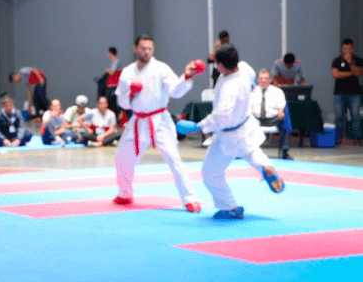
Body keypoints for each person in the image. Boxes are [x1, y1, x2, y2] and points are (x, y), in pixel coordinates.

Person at [180, 47, 285, 220]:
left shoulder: (229, 88)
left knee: (210, 173)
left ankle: (229, 207)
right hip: (246, 125)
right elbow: (251, 78)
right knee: (250, 151)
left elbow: (220, 117)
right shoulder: (244, 68)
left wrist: (198, 126)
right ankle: (265, 167)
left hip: (229, 135)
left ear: (221, 65)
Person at [113, 35, 203, 213]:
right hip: (138, 121)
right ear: (135, 49)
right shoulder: (127, 72)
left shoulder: (161, 68)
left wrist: (187, 75)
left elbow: (176, 91)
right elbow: (122, 103)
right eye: (142, 48)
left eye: (149, 49)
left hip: (159, 120)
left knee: (173, 159)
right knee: (122, 159)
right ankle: (125, 193)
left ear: (153, 50)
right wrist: (131, 93)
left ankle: (190, 198)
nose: (146, 52)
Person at [251, 69, 292, 160]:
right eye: (261, 78)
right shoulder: (252, 91)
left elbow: (282, 106)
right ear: (258, 80)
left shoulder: (277, 92)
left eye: (266, 78)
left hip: (272, 119)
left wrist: (281, 112)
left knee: (285, 117)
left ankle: (285, 151)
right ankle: (241, 152)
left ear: (270, 80)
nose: (264, 80)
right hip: (256, 120)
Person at [331, 38, 363, 145]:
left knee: (355, 116)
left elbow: (358, 73)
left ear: (353, 48)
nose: (347, 51)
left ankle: (357, 139)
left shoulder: (358, 60)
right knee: (339, 117)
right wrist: (351, 73)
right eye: (345, 49)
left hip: (354, 93)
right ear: (342, 48)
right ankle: (339, 138)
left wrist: (350, 62)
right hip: (339, 93)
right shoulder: (336, 61)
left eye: (349, 48)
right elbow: (335, 75)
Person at [96, 47, 121, 114]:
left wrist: (107, 70)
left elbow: (112, 72)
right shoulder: (114, 62)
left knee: (111, 101)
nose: (107, 55)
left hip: (113, 84)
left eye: (108, 53)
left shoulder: (116, 61)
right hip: (111, 84)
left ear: (111, 53)